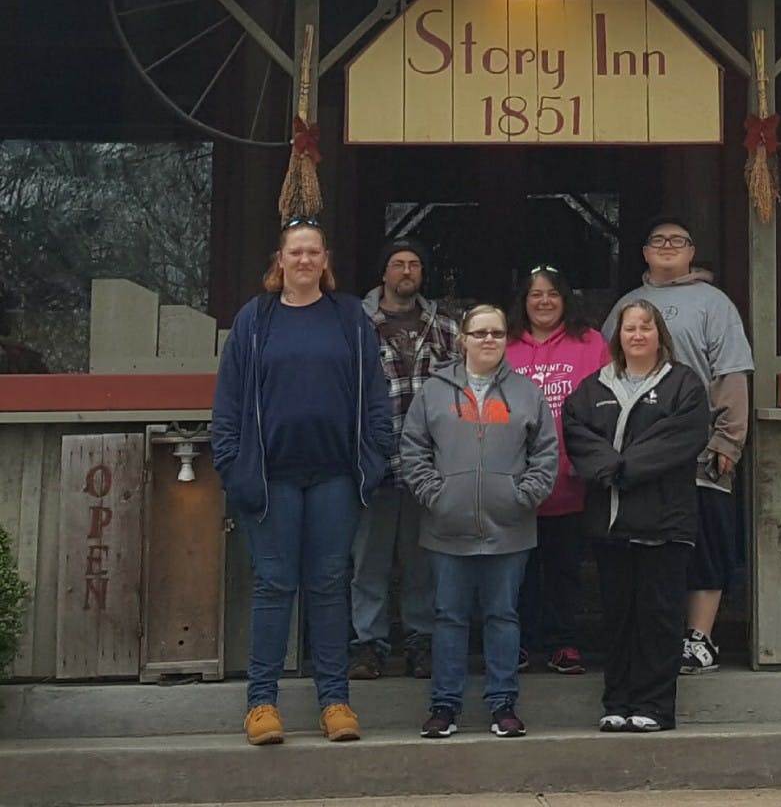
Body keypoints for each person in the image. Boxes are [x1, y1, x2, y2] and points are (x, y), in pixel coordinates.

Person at [212, 216, 391, 746]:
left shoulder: (350, 317)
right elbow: (228, 402)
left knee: (329, 586)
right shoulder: (256, 319)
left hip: (336, 476)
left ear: (325, 261)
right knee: (273, 586)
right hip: (270, 480)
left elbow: (375, 396)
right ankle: (261, 704)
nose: (305, 261)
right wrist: (231, 463)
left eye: (314, 252)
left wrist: (374, 456)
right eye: (296, 253)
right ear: (281, 261)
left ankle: (335, 702)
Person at [601, 216, 753, 674]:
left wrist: (728, 439)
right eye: (658, 240)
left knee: (704, 540)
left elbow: (731, 374)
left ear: (691, 252)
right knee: (648, 544)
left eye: (678, 240)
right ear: (644, 252)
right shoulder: (627, 304)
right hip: (640, 453)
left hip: (701, 447)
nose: (667, 246)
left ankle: (700, 637)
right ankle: (657, 635)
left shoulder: (714, 303)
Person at [400, 304, 559, 739]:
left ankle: (503, 705)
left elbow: (547, 454)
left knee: (503, 616)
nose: (489, 340)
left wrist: (521, 498)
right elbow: (413, 450)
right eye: (480, 333)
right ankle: (444, 707)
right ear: (463, 339)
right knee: (448, 617)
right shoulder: (434, 391)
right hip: (446, 529)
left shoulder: (527, 393)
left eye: (497, 333)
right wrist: (437, 496)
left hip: (510, 529)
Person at [564, 300, 709, 732]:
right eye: (630, 327)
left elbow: (680, 438)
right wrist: (609, 466)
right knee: (619, 618)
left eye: (646, 326)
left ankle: (655, 706)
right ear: (619, 337)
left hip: (665, 525)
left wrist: (622, 467)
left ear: (659, 335)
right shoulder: (593, 389)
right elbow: (578, 433)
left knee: (659, 619)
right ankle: (618, 701)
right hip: (613, 526)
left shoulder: (684, 385)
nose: (638, 334)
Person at [350, 237, 461, 680]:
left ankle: (421, 640)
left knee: (423, 561)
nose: (407, 271)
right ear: (384, 273)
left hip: (428, 466)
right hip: (371, 461)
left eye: (414, 264)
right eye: (398, 263)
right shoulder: (355, 324)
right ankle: (367, 643)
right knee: (368, 561)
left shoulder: (447, 329)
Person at [505, 264, 609, 675]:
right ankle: (522, 642)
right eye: (535, 295)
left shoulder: (591, 342)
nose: (544, 301)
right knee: (520, 569)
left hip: (571, 477)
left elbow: (604, 403)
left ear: (566, 300)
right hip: (517, 480)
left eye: (552, 294)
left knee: (565, 567)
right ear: (523, 303)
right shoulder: (507, 345)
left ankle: (564, 641)